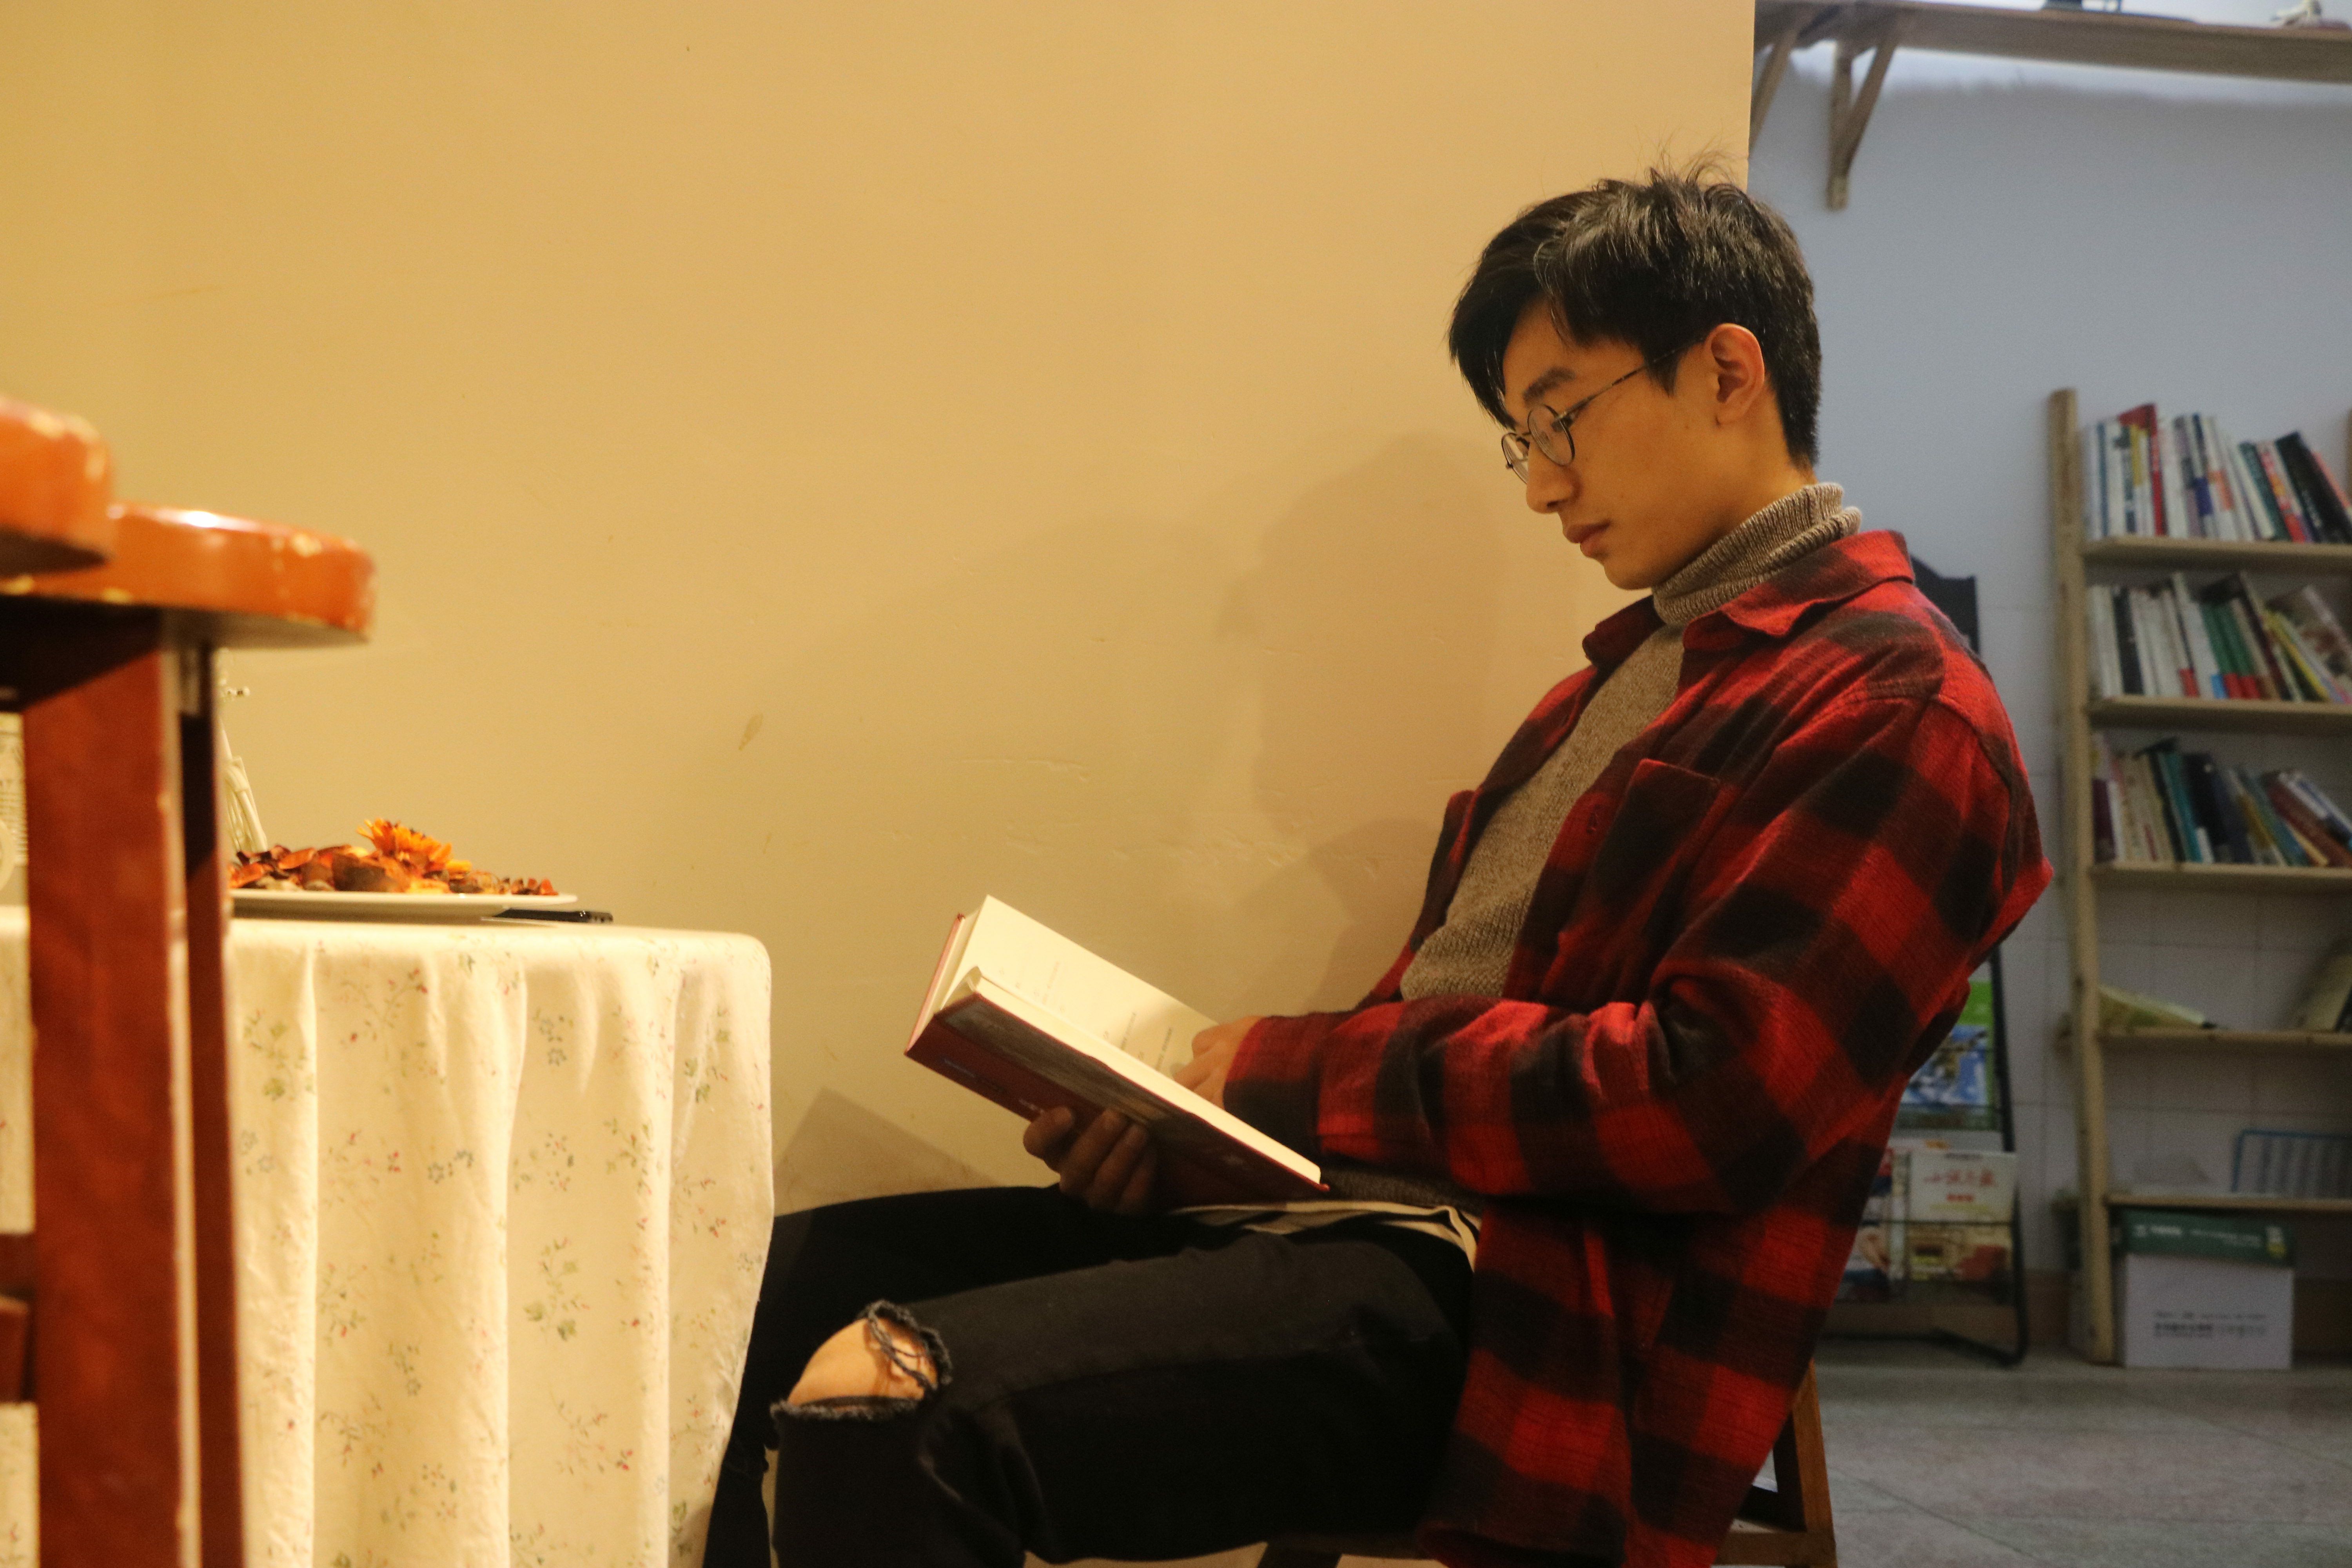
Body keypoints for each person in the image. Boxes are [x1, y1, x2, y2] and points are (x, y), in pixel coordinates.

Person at [703, 167, 2049, 1568]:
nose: (1544, 485)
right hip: (1337, 1227)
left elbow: (1707, 1102)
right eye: (1522, 441)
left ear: (1726, 371)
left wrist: (1279, 1071)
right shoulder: (1613, 689)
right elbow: (1449, 1044)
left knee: (891, 1407)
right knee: (732, 1303)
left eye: (1561, 418)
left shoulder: (1902, 710)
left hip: (1532, 1326)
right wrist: (1181, 1143)